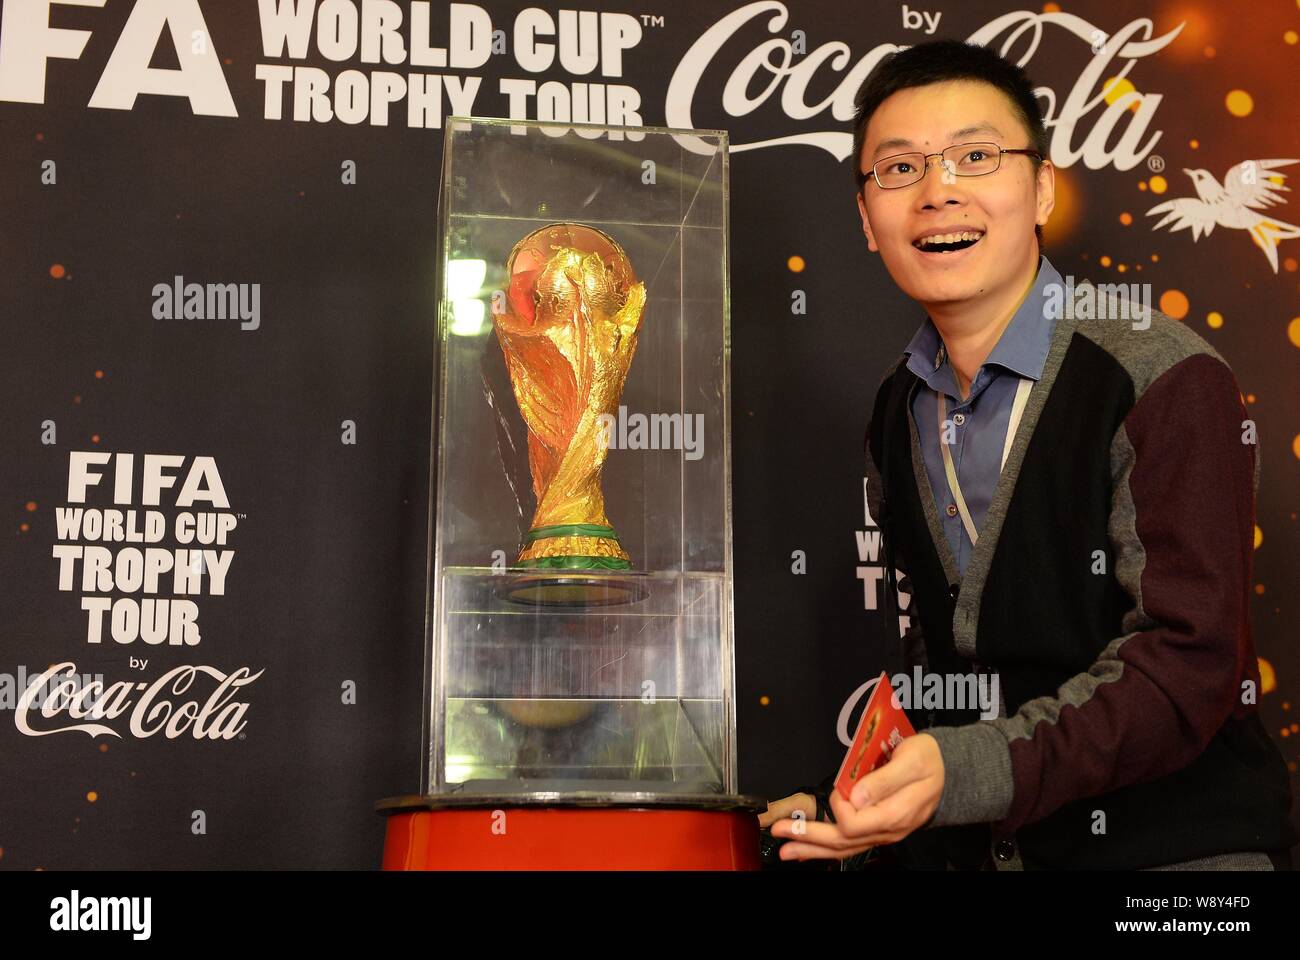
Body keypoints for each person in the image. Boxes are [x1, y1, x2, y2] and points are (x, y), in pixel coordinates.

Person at [760, 39, 1295, 870]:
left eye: (976, 157)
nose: (940, 192)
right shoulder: (898, 407)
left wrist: (968, 773)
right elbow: (950, 672)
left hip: (1178, 864)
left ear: (1041, 187)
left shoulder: (1160, 375)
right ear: (866, 220)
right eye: (899, 169)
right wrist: (856, 796)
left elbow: (1188, 664)